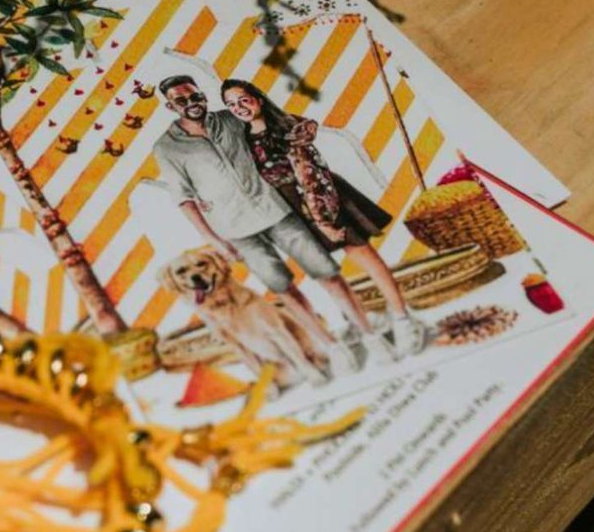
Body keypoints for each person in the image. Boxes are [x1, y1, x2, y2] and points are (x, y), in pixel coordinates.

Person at [152, 74, 384, 371]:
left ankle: (370, 335)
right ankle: (331, 346)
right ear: (170, 106)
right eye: (181, 100)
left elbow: (275, 124)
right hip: (235, 230)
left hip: (278, 211)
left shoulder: (232, 119)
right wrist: (213, 240)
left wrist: (306, 130)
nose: (191, 104)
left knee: (326, 273)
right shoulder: (167, 147)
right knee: (283, 288)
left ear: (203, 96)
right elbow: (184, 198)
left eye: (195, 96)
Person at [219, 78, 424, 356]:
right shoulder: (243, 138)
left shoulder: (288, 128)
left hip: (323, 198)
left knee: (363, 255)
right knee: (327, 271)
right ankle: (359, 321)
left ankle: (402, 317)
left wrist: (324, 221)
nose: (239, 108)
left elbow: (310, 177)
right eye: (231, 105)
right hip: (290, 210)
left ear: (258, 98)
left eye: (243, 100)